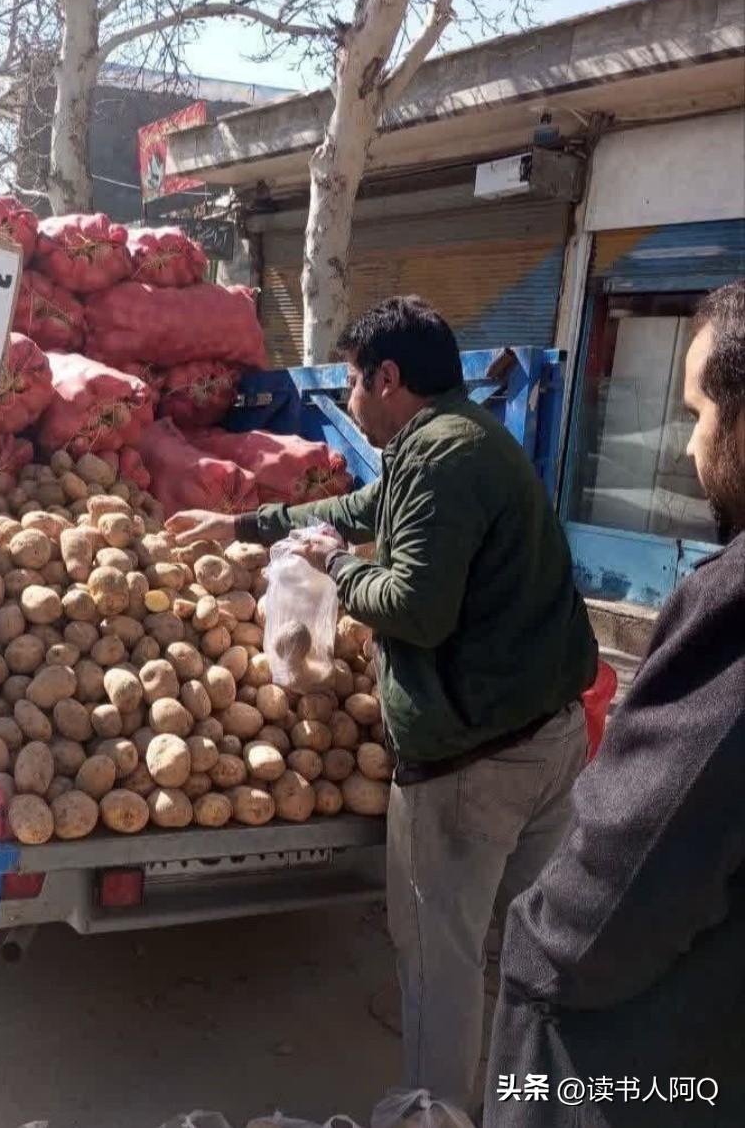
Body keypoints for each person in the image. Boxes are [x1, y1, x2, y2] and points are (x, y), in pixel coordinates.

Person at [167, 296, 598, 1109]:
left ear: (387, 378)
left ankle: (435, 1115)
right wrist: (242, 527)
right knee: (530, 948)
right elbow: (359, 511)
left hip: (476, 762)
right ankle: (532, 1107)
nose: (350, 400)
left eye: (353, 383)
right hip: (549, 738)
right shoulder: (463, 437)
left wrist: (336, 565)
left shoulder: (439, 458)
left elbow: (414, 609)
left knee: (441, 958)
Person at [484, 281, 745, 1128]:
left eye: (699, 412)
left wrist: (534, 953)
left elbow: (631, 868)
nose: (689, 445)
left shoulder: (733, 605)